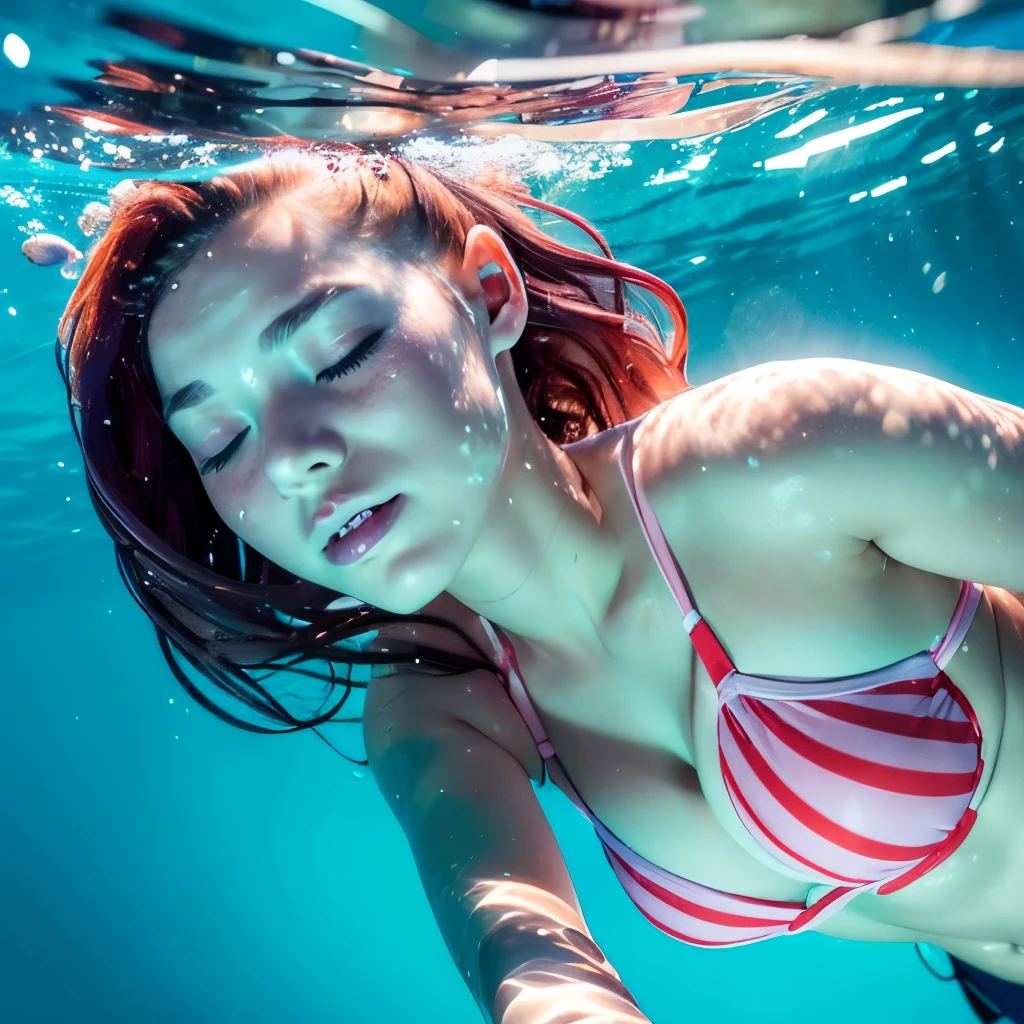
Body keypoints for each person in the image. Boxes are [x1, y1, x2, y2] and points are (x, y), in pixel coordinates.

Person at [57, 144, 1024, 1024]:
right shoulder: (439, 704)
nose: (294, 459)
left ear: (489, 294)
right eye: (220, 440)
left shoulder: (782, 451)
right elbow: (529, 962)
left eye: (340, 350)